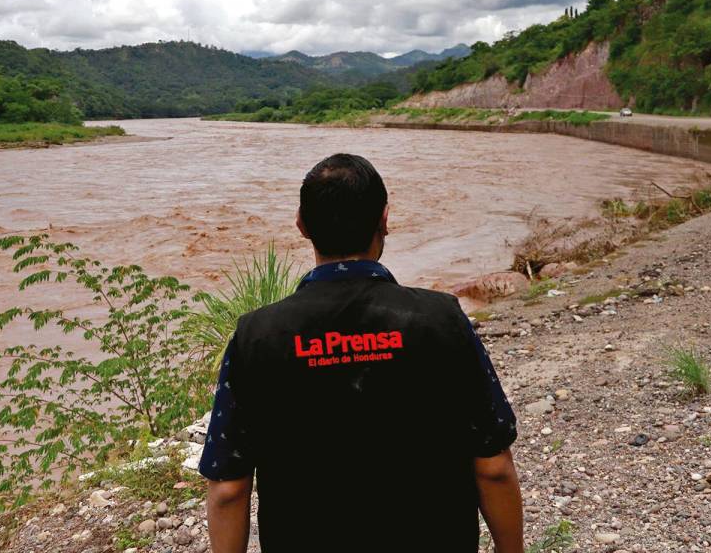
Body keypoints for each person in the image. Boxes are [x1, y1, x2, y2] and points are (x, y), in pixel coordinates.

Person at [199, 153, 523, 553]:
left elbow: (229, 488)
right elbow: (493, 467)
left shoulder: (256, 336)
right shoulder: (442, 318)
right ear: (385, 219)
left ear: (301, 225)